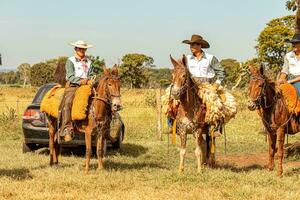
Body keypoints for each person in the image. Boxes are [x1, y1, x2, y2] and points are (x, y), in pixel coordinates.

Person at [182, 34, 225, 136]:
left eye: (194, 44)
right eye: (190, 45)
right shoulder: (187, 58)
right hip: (190, 86)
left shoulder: (210, 58)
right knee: (172, 97)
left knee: (215, 102)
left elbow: (221, 72)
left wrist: (216, 84)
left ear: (200, 46)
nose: (191, 47)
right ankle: (173, 124)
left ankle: (215, 127)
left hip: (206, 85)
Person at [59, 40, 94, 142]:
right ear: (75, 49)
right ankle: (67, 129)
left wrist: (91, 79)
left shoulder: (89, 61)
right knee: (68, 102)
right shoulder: (70, 61)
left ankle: (103, 125)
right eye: (79, 48)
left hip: (87, 85)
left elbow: (91, 74)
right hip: (74, 85)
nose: (82, 50)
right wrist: (81, 81)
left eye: (83, 48)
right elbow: (70, 76)